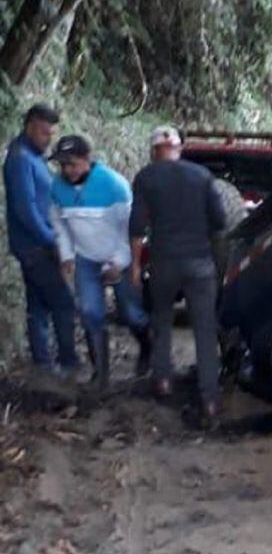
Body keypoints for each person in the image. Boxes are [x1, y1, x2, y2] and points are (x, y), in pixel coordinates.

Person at [130, 126, 226, 426]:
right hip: (200, 263)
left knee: (161, 319)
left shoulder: (146, 177)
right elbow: (220, 222)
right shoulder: (202, 176)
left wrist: (135, 267)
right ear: (178, 148)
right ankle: (210, 399)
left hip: (164, 263)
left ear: (155, 150)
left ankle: (163, 381)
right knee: (205, 330)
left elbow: (136, 227)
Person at [49, 134, 151, 388]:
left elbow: (130, 229)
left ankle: (148, 348)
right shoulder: (57, 188)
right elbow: (59, 225)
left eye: (71, 164)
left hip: (119, 256)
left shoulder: (113, 185)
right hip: (86, 258)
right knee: (90, 313)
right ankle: (101, 374)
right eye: (62, 165)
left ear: (86, 159)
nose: (66, 170)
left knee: (131, 314)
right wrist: (67, 255)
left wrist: (117, 262)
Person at [3, 104, 77, 374]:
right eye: (45, 133)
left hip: (36, 243)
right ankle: (68, 363)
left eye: (52, 134)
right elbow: (25, 209)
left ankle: (43, 364)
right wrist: (52, 241)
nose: (49, 140)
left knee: (38, 305)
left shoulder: (31, 157)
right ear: (31, 126)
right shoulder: (20, 158)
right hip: (35, 246)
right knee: (63, 303)